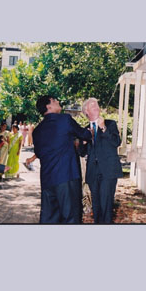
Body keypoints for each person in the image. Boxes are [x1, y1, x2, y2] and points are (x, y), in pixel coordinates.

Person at [31, 95, 92, 223]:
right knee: (71, 217)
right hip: (66, 177)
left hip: (47, 181)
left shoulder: (37, 130)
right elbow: (84, 134)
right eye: (54, 100)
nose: (58, 101)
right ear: (48, 106)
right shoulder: (65, 119)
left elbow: (39, 153)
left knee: (50, 219)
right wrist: (91, 130)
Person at [80, 98, 123, 224]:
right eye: (93, 106)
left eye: (97, 105)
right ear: (86, 111)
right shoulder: (85, 130)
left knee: (106, 204)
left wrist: (103, 128)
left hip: (108, 171)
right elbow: (81, 152)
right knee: (97, 206)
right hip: (93, 172)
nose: (97, 107)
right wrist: (84, 141)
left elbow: (116, 142)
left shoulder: (110, 124)